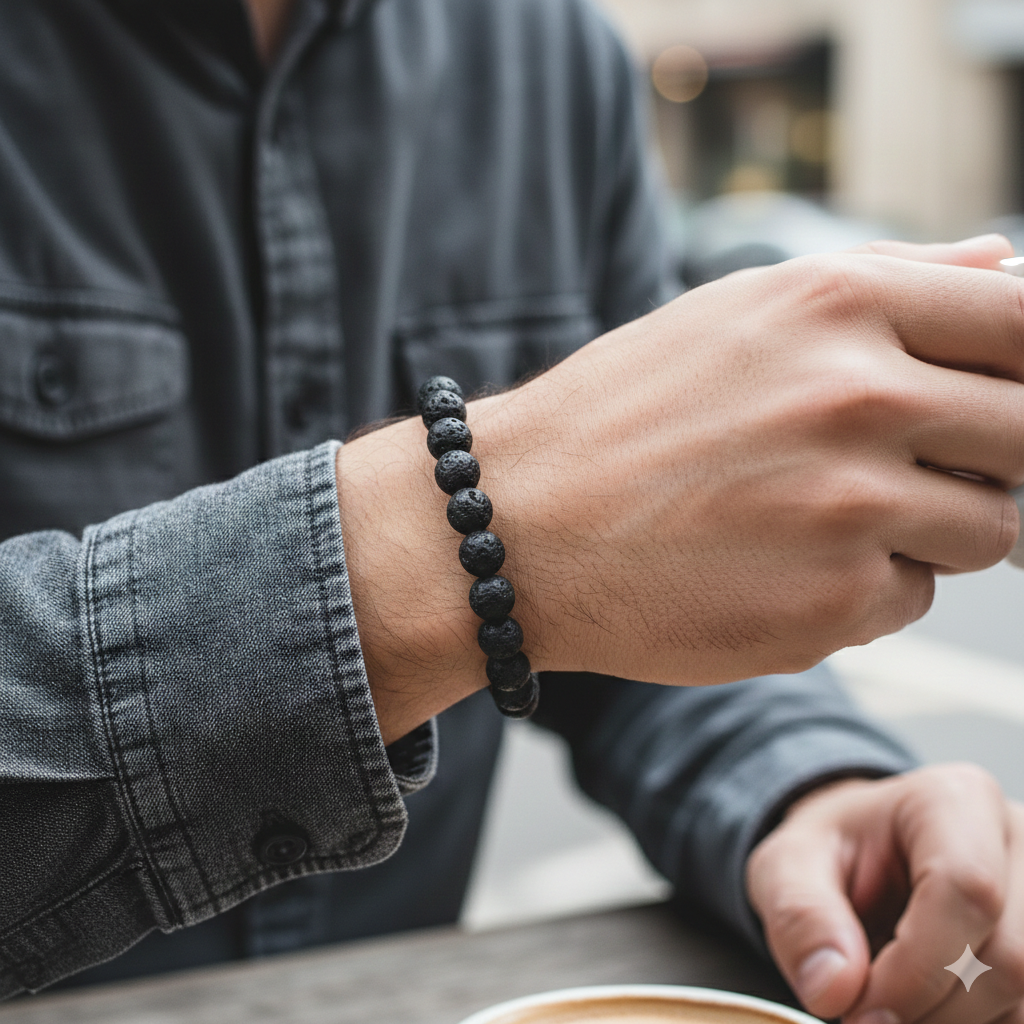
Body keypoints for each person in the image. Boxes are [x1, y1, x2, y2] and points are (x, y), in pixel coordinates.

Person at [0, 2, 1021, 1022]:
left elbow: (629, 599)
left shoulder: (551, 56)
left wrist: (807, 790)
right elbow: (534, 559)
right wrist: (453, 541)